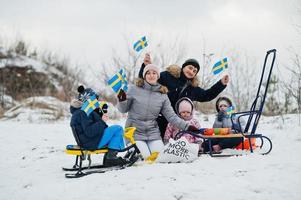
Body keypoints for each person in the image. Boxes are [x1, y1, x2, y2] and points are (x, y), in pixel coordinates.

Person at [117, 64, 199, 159]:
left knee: (160, 157)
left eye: (154, 73)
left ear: (158, 76)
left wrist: (187, 126)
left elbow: (171, 116)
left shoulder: (162, 95)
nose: (151, 75)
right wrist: (122, 101)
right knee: (143, 158)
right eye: (148, 73)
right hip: (134, 132)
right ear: (144, 76)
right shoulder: (133, 89)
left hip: (153, 133)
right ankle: (131, 151)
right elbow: (123, 110)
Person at [138, 54, 229, 137]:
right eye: (190, 68)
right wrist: (146, 67)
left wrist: (221, 84)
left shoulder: (193, 88)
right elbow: (148, 82)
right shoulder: (167, 76)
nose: (191, 71)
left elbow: (207, 95)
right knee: (153, 143)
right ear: (183, 66)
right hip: (158, 117)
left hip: (176, 123)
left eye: (194, 71)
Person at [70, 86, 129, 167]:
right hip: (91, 142)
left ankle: (110, 157)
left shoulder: (82, 112)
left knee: (113, 130)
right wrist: (102, 121)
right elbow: (90, 132)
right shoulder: (83, 113)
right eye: (95, 100)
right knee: (118, 129)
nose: (96, 102)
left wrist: (100, 116)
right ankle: (111, 158)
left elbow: (92, 125)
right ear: (88, 100)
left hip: (89, 141)